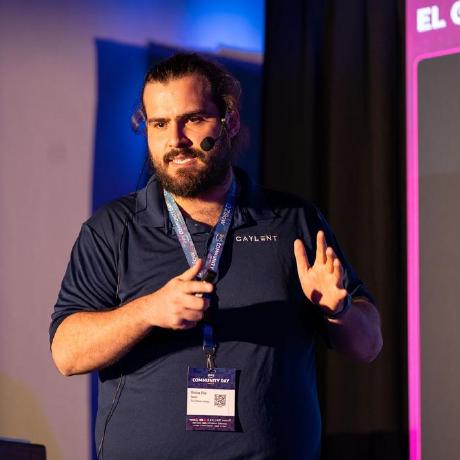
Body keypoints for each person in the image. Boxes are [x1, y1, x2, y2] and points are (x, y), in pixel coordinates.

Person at [50, 53, 382, 460]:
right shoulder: (113, 228)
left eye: (192, 119)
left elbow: (368, 345)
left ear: (230, 121)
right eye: (159, 124)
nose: (176, 139)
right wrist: (149, 310)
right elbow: (66, 353)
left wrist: (338, 311)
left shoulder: (291, 220)